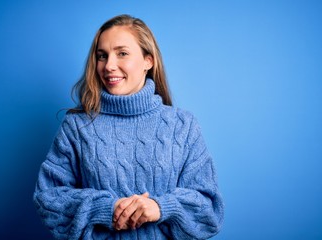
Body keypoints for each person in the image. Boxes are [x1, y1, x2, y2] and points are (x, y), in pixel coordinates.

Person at [33, 14, 224, 239]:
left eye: (122, 53)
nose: (109, 66)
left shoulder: (183, 126)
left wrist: (162, 208)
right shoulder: (76, 127)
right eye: (102, 56)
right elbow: (48, 198)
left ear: (148, 61)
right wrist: (103, 209)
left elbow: (210, 210)